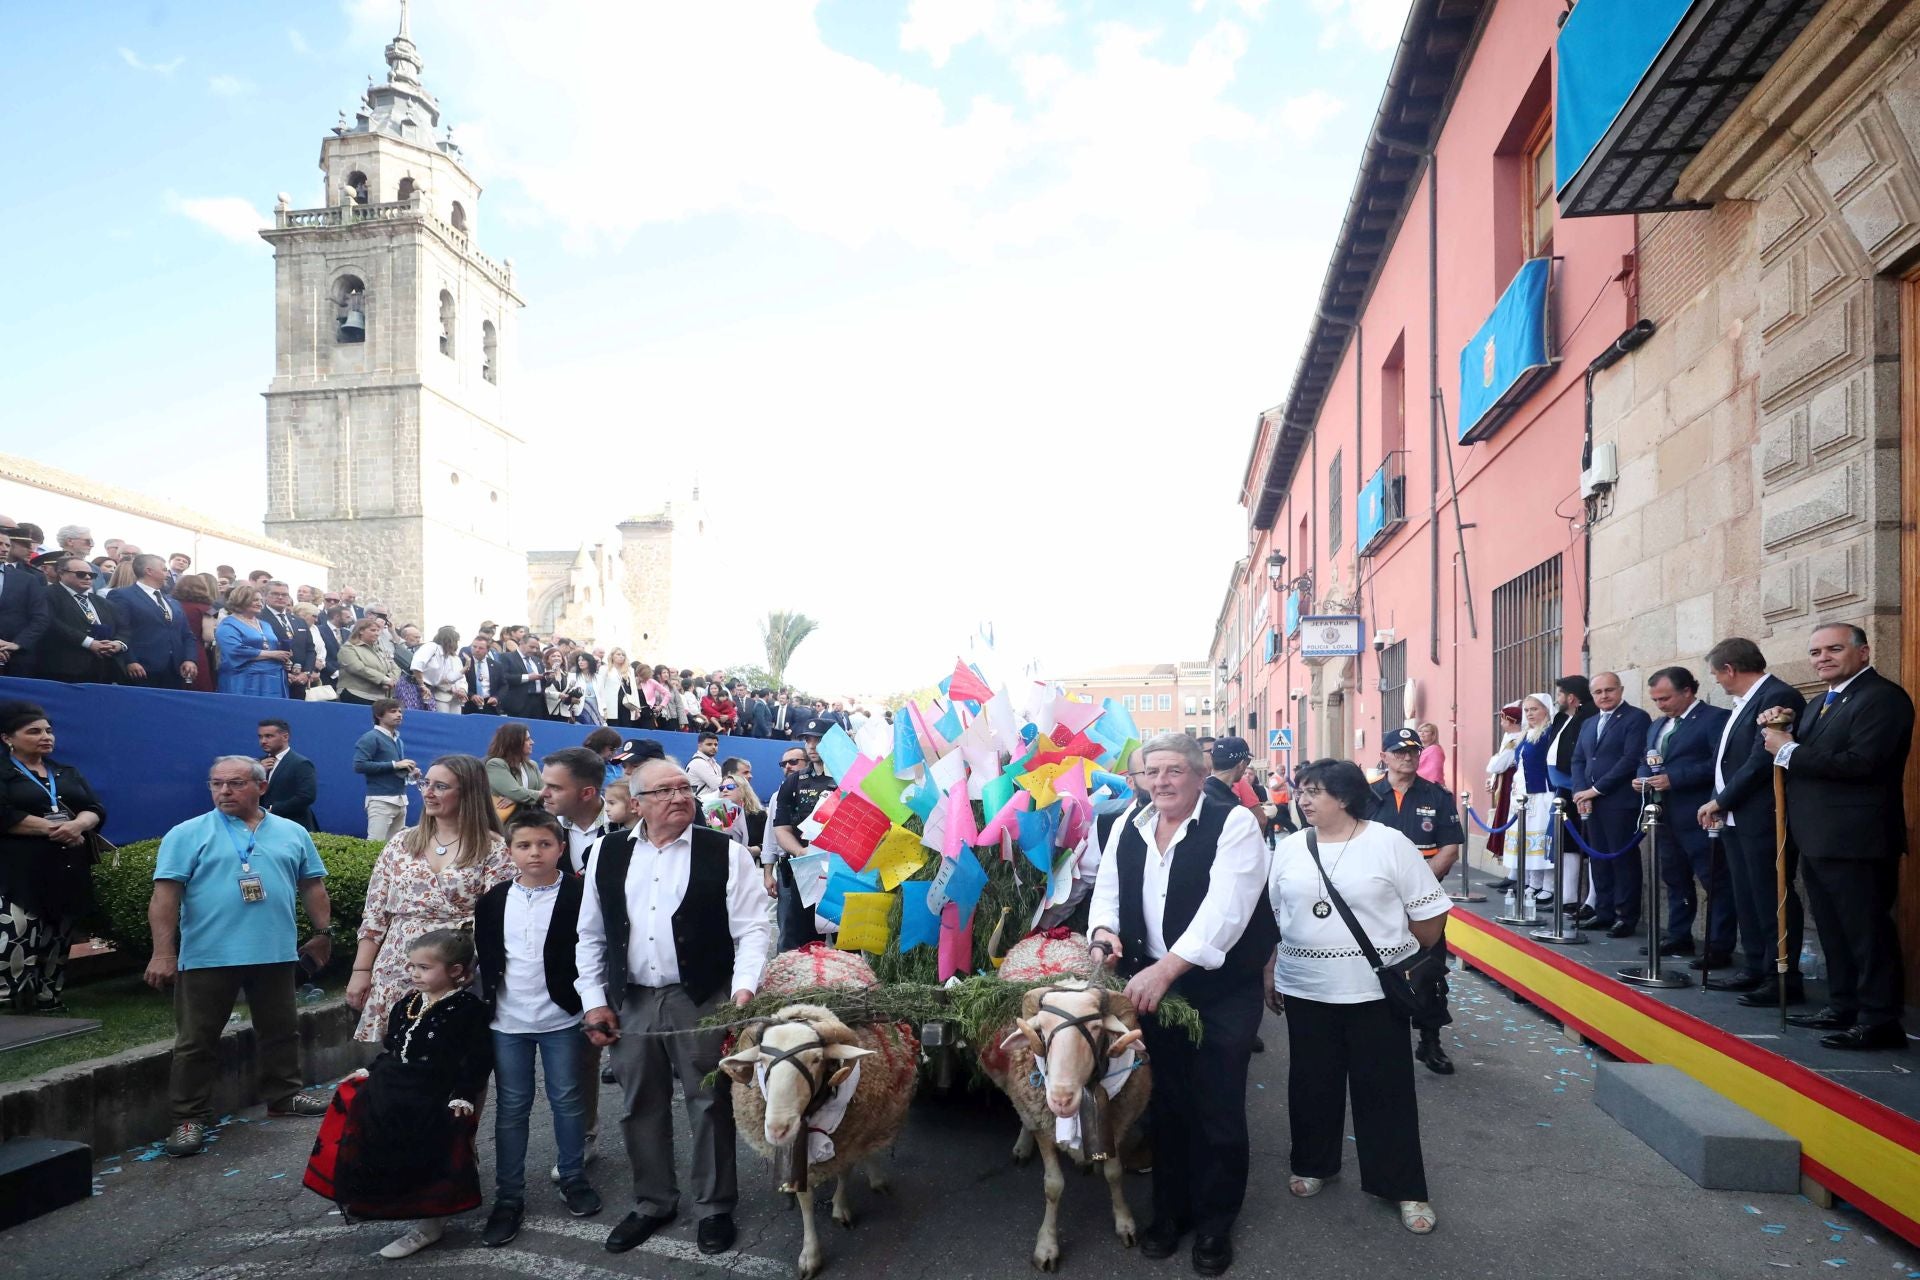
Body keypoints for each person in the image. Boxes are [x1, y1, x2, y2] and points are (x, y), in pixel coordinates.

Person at [1088, 731, 1275, 1277]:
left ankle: (1216, 1222)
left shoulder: (1234, 822)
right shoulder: (1129, 824)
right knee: (1165, 1103)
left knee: (1216, 1105)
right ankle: (1170, 1212)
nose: (1162, 781)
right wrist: (1104, 933)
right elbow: (1107, 889)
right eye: (1153, 771)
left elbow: (1227, 911)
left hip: (1219, 990)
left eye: (1174, 770)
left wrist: (1166, 969)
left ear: (1199, 774)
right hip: (1152, 985)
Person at [575, 758, 773, 1257]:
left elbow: (753, 929)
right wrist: (594, 1001)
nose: (680, 797)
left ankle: (714, 1207)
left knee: (708, 1102)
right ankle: (653, 1201)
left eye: (685, 787)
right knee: (640, 1103)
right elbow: (591, 934)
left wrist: (744, 991)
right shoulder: (606, 853)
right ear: (637, 802)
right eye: (665, 790)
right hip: (633, 999)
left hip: (702, 997)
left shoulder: (725, 852)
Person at [1266, 757, 1446, 1236]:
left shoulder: (1388, 843)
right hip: (1306, 988)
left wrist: (1393, 954)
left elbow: (1428, 919)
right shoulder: (1288, 849)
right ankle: (1313, 1164)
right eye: (1300, 791)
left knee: (1384, 1090)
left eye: (1313, 792)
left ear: (1344, 797)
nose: (1301, 800)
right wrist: (1272, 970)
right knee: (1311, 1083)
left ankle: (1402, 1186)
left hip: (1374, 991)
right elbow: (1275, 914)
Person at [146, 755, 335, 1158]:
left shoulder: (291, 832)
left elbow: (312, 885)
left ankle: (284, 1095)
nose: (224, 792)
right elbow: (165, 897)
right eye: (216, 784)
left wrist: (322, 934)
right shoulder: (187, 833)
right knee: (196, 1041)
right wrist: (163, 952)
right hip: (208, 956)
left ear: (261, 787)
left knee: (282, 1030)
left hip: (274, 951)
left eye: (234, 784)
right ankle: (187, 1118)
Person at [1760, 622, 1914, 1051]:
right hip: (1818, 835)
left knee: (1866, 931)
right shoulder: (1821, 701)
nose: (1822, 658)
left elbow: (1862, 763)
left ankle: (1880, 1018)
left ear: (1863, 653)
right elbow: (1804, 753)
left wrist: (1788, 749)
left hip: (1857, 837)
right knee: (1833, 928)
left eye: (1834, 649)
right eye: (1815, 652)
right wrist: (1782, 729)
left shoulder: (1882, 698)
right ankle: (1843, 1004)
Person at [304, 929, 492, 1259]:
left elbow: (476, 1059)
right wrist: (370, 1070)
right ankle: (387, 1201)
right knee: (387, 1147)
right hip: (392, 1088)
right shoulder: (407, 1003)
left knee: (426, 1153)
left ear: (456, 971)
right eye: (412, 966)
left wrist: (463, 1093)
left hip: (430, 1093)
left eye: (424, 967)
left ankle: (429, 1223)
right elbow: (394, 1047)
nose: (414, 974)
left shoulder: (468, 1009)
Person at [475, 810, 603, 1247]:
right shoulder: (492, 901)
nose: (535, 853)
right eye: (524, 845)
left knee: (568, 1100)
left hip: (561, 1018)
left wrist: (592, 1006)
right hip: (507, 1022)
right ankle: (508, 1197)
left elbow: (592, 951)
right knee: (512, 1107)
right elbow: (488, 959)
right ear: (509, 851)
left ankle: (573, 1177)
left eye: (545, 844)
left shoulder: (579, 894)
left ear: (561, 849)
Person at [345, 755, 511, 1043]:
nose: (428, 792)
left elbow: (500, 919)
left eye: (441, 786)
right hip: (398, 964)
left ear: (468, 793)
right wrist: (361, 970)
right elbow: (374, 915)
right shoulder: (401, 843)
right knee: (396, 1060)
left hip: (460, 967)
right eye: (425, 783)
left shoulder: (494, 848)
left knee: (459, 1062)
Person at [1697, 637, 1809, 1006]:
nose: (1718, 681)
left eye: (1717, 674)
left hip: (1762, 814)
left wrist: (1721, 799)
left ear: (1730, 669)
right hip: (1735, 816)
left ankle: (1782, 974)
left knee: (1770, 894)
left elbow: (1760, 762)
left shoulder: (1778, 696)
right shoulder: (1745, 702)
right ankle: (1757, 965)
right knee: (1746, 894)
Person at [1367, 727, 1464, 1076]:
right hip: (1373, 903)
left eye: (1413, 751)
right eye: (1399, 751)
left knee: (1429, 971)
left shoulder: (1438, 796)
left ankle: (1430, 1040)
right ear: (1384, 755)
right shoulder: (1367, 796)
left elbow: (1449, 849)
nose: (1407, 756)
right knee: (1374, 969)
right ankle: (1377, 1040)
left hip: (1423, 903)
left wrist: (1417, 888)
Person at [0, 702, 106, 1012]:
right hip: (16, 870)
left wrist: (78, 825)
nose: (46, 736)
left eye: (48, 730)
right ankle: (10, 1002)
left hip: (66, 867)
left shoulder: (65, 771)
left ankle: (49, 999)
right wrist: (52, 829)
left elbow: (95, 808)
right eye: (34, 731)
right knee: (16, 931)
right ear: (7, 738)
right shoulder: (4, 772)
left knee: (58, 936)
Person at [1631, 667, 1733, 968]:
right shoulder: (1657, 724)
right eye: (1655, 699)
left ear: (1687, 691)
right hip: (1664, 814)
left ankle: (1718, 945)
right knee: (1674, 878)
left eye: (1665, 698)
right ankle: (1679, 934)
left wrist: (1675, 778)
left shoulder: (1714, 719)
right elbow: (1645, 760)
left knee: (1714, 880)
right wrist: (1641, 779)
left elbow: (1719, 763)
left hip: (1698, 813)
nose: (1660, 704)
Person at [1570, 672, 1651, 937]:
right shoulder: (1589, 722)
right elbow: (1579, 759)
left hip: (1619, 801)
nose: (1604, 696)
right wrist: (1580, 792)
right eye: (1598, 692)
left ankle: (1625, 916)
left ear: (1620, 689)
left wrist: (1595, 790)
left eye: (1609, 690)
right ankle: (1603, 911)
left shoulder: (1636, 718)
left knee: (1621, 859)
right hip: (1591, 803)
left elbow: (1629, 760)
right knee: (1598, 858)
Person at [770, 721, 836, 950]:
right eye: (808, 740)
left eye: (819, 739)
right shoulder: (795, 781)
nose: (812, 745)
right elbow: (781, 828)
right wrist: (801, 851)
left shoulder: (851, 779)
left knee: (847, 946)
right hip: (805, 872)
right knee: (801, 943)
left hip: (843, 873)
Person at [1541, 675, 1597, 907]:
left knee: (1588, 845)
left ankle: (1592, 899)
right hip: (1563, 790)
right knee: (1566, 844)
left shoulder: (1587, 719)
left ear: (1571, 697)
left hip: (1580, 789)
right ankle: (1568, 897)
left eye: (1560, 694)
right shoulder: (1563, 718)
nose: (1558, 699)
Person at [108, 554, 199, 690]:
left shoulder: (172, 601)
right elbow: (120, 630)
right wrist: (130, 660)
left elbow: (187, 634)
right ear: (149, 571)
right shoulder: (122, 595)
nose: (167, 573)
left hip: (174, 669)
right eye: (163, 569)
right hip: (142, 669)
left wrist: (189, 658)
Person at [40, 556, 130, 684]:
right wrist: (89, 643)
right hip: (66, 669)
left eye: (91, 575)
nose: (88, 578)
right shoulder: (46, 595)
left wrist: (118, 644)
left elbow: (124, 628)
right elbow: (52, 624)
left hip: (105, 669)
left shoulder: (104, 603)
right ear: (61, 573)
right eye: (81, 574)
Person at [353, 699, 418, 842]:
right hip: (381, 800)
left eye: (400, 711)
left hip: (401, 800)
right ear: (378, 715)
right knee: (374, 846)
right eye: (393, 711)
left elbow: (395, 769)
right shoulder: (370, 737)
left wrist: (410, 773)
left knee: (396, 847)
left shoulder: (398, 740)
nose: (399, 714)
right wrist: (395, 764)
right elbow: (359, 765)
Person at [215, 585, 290, 698]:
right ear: (241, 600)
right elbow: (234, 650)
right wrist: (272, 654)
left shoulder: (265, 625)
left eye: (261, 600)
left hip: (272, 679)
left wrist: (283, 657)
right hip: (244, 679)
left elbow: (272, 647)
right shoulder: (228, 624)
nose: (260, 603)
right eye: (255, 600)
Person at [1481, 703, 1523, 870]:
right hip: (1505, 781)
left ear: (1510, 720)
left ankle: (1514, 872)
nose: (1501, 723)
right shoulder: (1510, 737)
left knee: (1509, 822)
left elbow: (1497, 765)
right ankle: (1511, 872)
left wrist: (1493, 767)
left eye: (1503, 719)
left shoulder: (1516, 739)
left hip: (1510, 784)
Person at [259, 718, 320, 832]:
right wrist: (257, 771)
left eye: (269, 736)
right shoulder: (258, 764)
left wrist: (272, 809)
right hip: (262, 827)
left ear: (285, 737)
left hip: (292, 826)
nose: (263, 741)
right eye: (260, 736)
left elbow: (306, 796)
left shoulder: (301, 763)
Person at [1205, 736, 1269, 837]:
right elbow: (1261, 820)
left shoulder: (1198, 792)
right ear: (1241, 765)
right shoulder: (1234, 808)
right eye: (1248, 762)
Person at [485, 721, 542, 823]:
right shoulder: (496, 764)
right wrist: (518, 797)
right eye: (527, 739)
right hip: (506, 826)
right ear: (514, 742)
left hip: (531, 823)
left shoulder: (533, 765)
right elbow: (516, 792)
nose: (532, 742)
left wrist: (517, 799)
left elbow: (546, 793)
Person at [337, 616, 400, 706]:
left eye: (378, 631)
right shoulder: (348, 648)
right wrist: (384, 679)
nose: (377, 634)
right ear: (361, 631)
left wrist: (390, 680)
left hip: (381, 697)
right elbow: (357, 668)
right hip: (357, 695)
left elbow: (395, 668)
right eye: (373, 630)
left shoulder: (380, 649)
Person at [171, 574, 219, 691]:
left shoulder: (171, 604)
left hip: (173, 647)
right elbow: (208, 636)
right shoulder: (210, 608)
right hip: (197, 650)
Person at [720, 758, 767, 864]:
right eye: (722, 788)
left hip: (753, 865)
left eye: (730, 787)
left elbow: (770, 844)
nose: (725, 790)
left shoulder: (758, 815)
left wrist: (754, 850)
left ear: (742, 790)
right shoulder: (716, 814)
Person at [412, 625, 467, 715]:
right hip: (415, 686)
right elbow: (416, 665)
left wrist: (458, 689)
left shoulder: (445, 656)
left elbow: (444, 679)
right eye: (456, 641)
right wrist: (422, 685)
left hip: (429, 690)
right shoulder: (431, 647)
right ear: (449, 640)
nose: (456, 644)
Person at [497, 631, 547, 721]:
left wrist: (548, 677)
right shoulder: (507, 657)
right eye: (531, 647)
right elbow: (504, 677)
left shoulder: (537, 660)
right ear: (521, 643)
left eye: (536, 648)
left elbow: (542, 679)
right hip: (518, 703)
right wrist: (528, 677)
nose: (534, 650)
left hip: (538, 703)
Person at [462, 633, 503, 715]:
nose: (477, 650)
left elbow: (504, 685)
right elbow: (461, 683)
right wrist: (472, 695)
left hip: (489, 705)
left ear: (487, 650)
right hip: (469, 705)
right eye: (474, 647)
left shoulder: (496, 665)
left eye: (481, 648)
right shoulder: (464, 663)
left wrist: (496, 698)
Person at [544, 650, 585, 723]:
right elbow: (542, 691)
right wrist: (558, 695)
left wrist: (572, 700)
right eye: (553, 656)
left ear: (562, 660)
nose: (556, 658)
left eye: (559, 656)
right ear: (547, 660)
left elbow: (568, 694)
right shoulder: (544, 673)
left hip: (564, 714)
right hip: (547, 712)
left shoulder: (567, 676)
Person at [597, 651, 631, 728]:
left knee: (626, 726)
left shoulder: (629, 670)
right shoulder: (604, 669)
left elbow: (633, 689)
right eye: (618, 654)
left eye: (623, 655)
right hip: (611, 704)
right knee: (612, 726)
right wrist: (603, 705)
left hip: (626, 705)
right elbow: (600, 687)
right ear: (612, 656)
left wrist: (636, 708)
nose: (621, 656)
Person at [571, 652, 605, 726]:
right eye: (579, 660)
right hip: (580, 707)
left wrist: (604, 710)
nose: (580, 662)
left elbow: (602, 696)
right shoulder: (572, 676)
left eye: (583, 660)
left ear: (590, 661)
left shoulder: (598, 678)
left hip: (596, 707)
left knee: (596, 730)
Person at [686, 732, 724, 798]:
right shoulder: (698, 763)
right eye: (709, 744)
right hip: (700, 804)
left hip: (708, 803)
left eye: (716, 745)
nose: (713, 747)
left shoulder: (714, 763)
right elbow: (717, 786)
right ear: (699, 746)